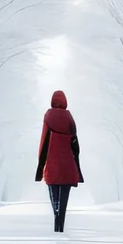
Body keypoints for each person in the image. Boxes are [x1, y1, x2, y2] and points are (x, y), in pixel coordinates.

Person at [35, 90, 83, 232]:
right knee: (64, 198)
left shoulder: (48, 116)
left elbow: (44, 142)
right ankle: (60, 223)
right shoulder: (69, 118)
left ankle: (56, 217)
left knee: (54, 194)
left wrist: (40, 167)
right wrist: (77, 167)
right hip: (67, 164)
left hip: (52, 163)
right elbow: (75, 143)